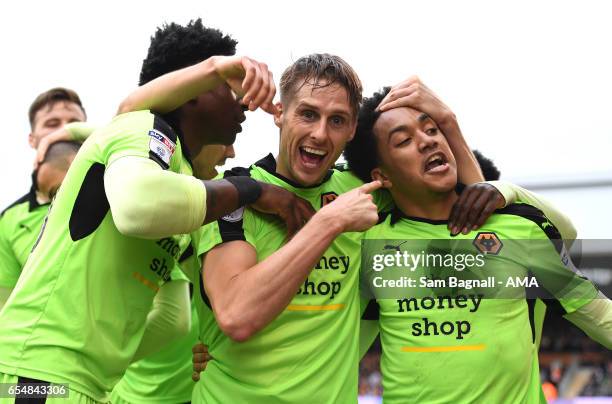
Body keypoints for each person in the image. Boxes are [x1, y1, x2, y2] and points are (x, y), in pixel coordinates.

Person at [125, 52, 577, 403]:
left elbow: (471, 219)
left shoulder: (367, 190)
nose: (321, 133)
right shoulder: (235, 195)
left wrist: (450, 124)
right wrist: (329, 222)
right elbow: (237, 316)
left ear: (350, 132)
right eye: (308, 114)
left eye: (337, 120)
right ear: (279, 113)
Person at [0, 20, 313, 403]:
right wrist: (250, 190)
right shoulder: (143, 128)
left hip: (77, 383)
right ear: (193, 92)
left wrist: (116, 354)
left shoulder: (174, 168)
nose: (245, 101)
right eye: (232, 87)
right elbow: (138, 207)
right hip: (38, 379)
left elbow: (174, 318)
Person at [345, 85, 612, 403]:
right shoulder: (368, 245)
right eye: (403, 140)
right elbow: (341, 350)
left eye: (432, 129)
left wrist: (505, 188)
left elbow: (598, 315)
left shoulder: (518, 229)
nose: (428, 139)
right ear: (382, 176)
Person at [110, 144, 235, 404]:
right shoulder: (146, 211)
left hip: (189, 385)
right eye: (226, 138)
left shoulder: (216, 211)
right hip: (121, 386)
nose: (231, 152)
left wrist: (221, 349)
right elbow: (173, 319)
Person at [0, 141, 80, 310]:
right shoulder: (10, 218)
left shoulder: (119, 191)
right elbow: (5, 297)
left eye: (71, 121)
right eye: (55, 195)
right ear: (34, 140)